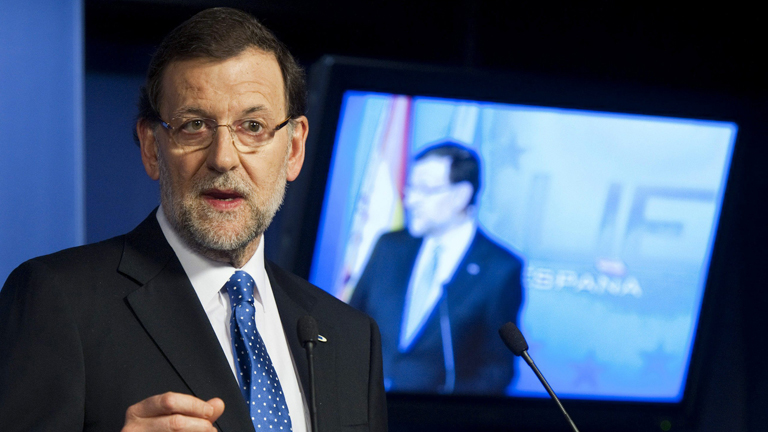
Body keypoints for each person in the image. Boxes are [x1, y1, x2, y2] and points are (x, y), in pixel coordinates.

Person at [0, 8, 386, 432]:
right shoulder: (58, 300)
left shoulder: (350, 336)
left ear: (293, 149)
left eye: (252, 126)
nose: (223, 158)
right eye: (195, 125)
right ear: (152, 148)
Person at [349, 141, 523, 395]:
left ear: (461, 196)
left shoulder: (499, 269)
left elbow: (496, 370)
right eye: (411, 188)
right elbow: (349, 322)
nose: (411, 201)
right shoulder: (390, 246)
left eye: (425, 190)